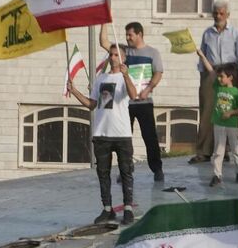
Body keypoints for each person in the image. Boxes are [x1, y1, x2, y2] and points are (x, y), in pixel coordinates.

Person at [68, 43, 136, 223]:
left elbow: (133, 95)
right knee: (103, 173)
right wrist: (74, 91)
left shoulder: (126, 77)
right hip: (101, 133)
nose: (112, 58)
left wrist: (126, 75)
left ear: (123, 58)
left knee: (126, 172)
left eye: (116, 55)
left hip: (122, 133)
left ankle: (128, 208)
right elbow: (91, 104)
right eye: (111, 55)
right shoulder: (101, 78)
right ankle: (107, 208)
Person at [102, 22, 167, 182]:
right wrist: (104, 21)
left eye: (130, 35)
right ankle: (125, 170)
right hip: (126, 103)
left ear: (139, 34)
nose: (127, 38)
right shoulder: (124, 51)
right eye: (126, 35)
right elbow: (104, 42)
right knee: (124, 138)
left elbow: (158, 73)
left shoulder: (152, 52)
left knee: (150, 137)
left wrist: (148, 89)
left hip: (144, 102)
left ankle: (157, 169)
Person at [192, 0, 238, 163]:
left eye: (221, 13)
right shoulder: (207, 33)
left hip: (230, 72)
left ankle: (226, 150)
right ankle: (204, 151)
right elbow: (202, 55)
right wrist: (203, 79)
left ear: (227, 14)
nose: (218, 16)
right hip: (211, 71)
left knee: (227, 109)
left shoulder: (236, 34)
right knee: (207, 111)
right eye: (215, 13)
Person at [202, 63, 238, 188]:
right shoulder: (218, 87)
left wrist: (231, 112)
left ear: (230, 77)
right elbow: (211, 72)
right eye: (219, 76)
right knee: (218, 151)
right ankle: (217, 175)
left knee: (236, 149)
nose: (219, 79)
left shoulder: (237, 93)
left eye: (222, 76)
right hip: (219, 124)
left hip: (232, 125)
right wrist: (202, 56)